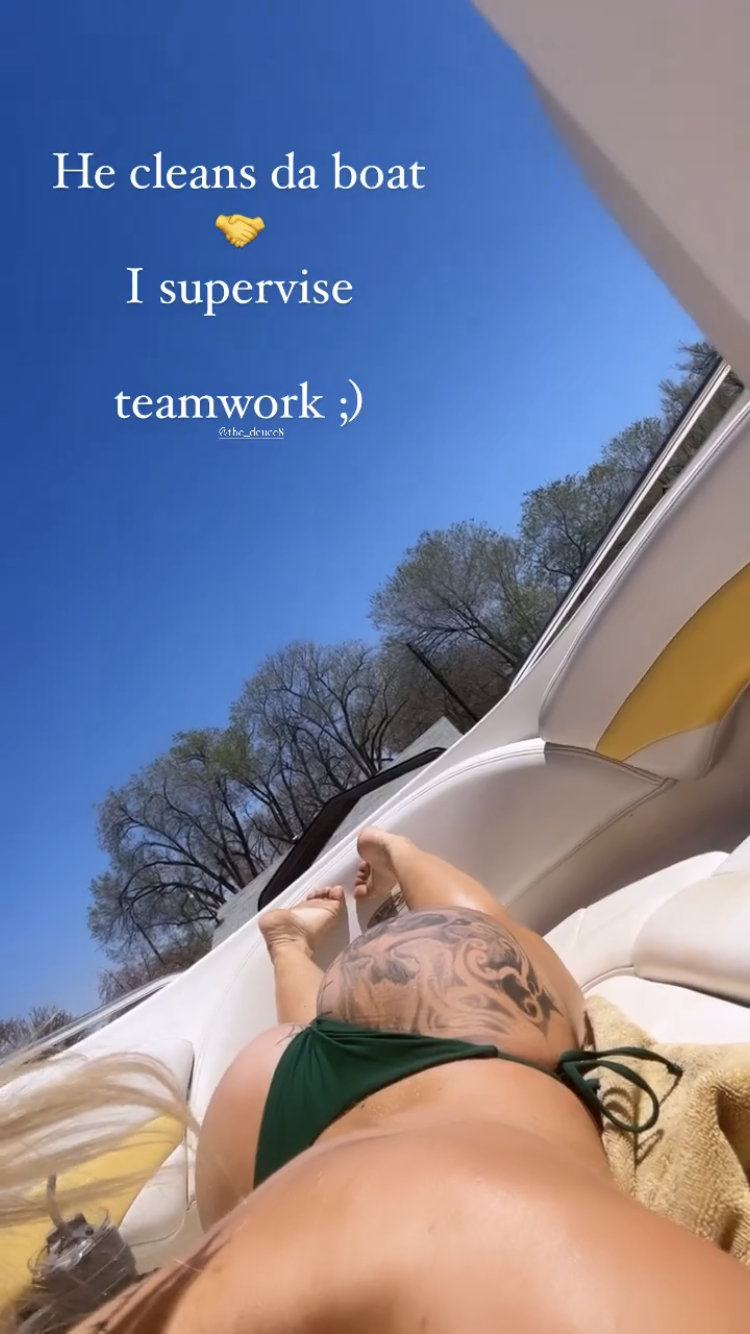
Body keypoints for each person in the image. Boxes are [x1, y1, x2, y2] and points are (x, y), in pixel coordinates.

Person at [9, 828, 750, 1333]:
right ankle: (349, 892)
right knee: (466, 943)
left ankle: (358, 884)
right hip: (275, 1123)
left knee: (454, 955)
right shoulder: (449, 1245)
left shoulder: (453, 1242)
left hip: (292, 1140)